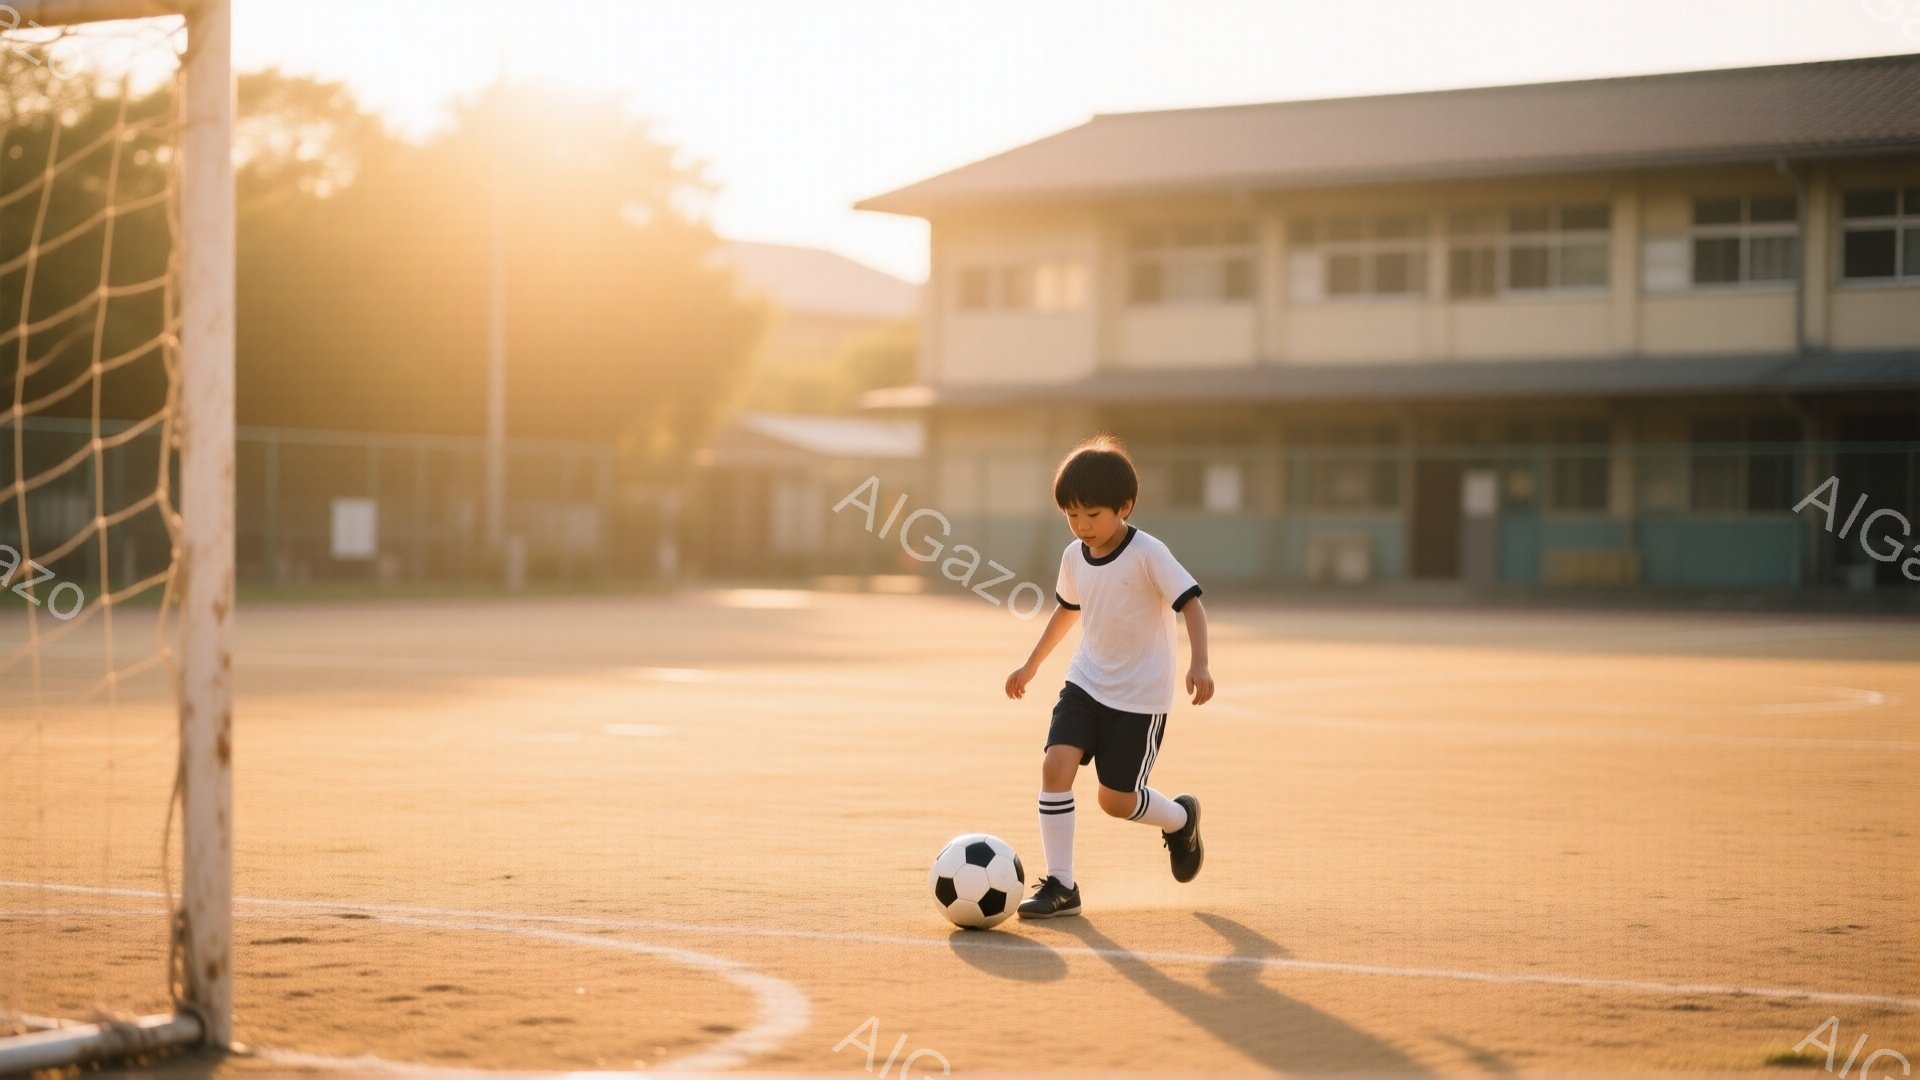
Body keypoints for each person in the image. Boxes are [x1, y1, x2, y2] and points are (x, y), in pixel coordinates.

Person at [1004, 434, 1213, 919]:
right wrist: (1032, 664)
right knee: (1055, 766)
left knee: (1116, 800)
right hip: (1086, 683)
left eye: (1092, 515)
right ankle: (1062, 885)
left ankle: (1180, 819)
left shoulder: (1149, 553)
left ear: (1125, 507)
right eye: (1071, 516)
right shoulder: (1074, 556)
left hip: (1140, 697)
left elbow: (1193, 605)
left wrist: (1199, 663)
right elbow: (1066, 612)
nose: (1081, 527)